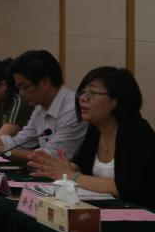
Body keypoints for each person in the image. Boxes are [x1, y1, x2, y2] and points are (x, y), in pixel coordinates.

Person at [28, 67, 155, 209]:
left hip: (141, 214)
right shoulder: (96, 128)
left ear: (117, 99)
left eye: (92, 93)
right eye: (82, 92)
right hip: (106, 210)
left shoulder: (136, 132)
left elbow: (123, 188)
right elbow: (81, 165)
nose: (83, 98)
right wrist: (55, 167)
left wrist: (70, 175)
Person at [0, 50, 87, 163]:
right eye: (18, 88)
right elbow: (19, 143)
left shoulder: (72, 109)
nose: (21, 93)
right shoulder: (40, 107)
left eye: (24, 87)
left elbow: (51, 156)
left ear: (45, 82)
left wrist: (0, 151)